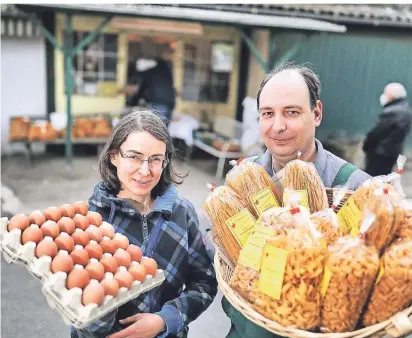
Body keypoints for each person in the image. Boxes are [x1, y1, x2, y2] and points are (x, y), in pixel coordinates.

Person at [217, 62, 371, 338]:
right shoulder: (241, 179)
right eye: (267, 113)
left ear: (317, 113)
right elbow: (223, 260)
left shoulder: (356, 188)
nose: (278, 126)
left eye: (291, 112)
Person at [71, 109, 217, 338]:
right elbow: (78, 303)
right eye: (134, 157)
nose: (145, 170)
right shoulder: (92, 219)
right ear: (114, 156)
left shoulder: (181, 213)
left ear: (165, 161)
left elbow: (204, 283)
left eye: (155, 159)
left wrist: (165, 319)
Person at [363, 82, 412, 176]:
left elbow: (376, 132)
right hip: (392, 153)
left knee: (372, 180)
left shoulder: (392, 112)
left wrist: (367, 146)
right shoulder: (405, 111)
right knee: (383, 179)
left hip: (381, 153)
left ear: (391, 95)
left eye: (386, 93)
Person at [126, 51, 176, 126]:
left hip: (158, 104)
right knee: (163, 129)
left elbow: (141, 90)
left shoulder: (149, 73)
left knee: (156, 129)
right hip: (169, 103)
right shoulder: (164, 70)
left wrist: (131, 103)